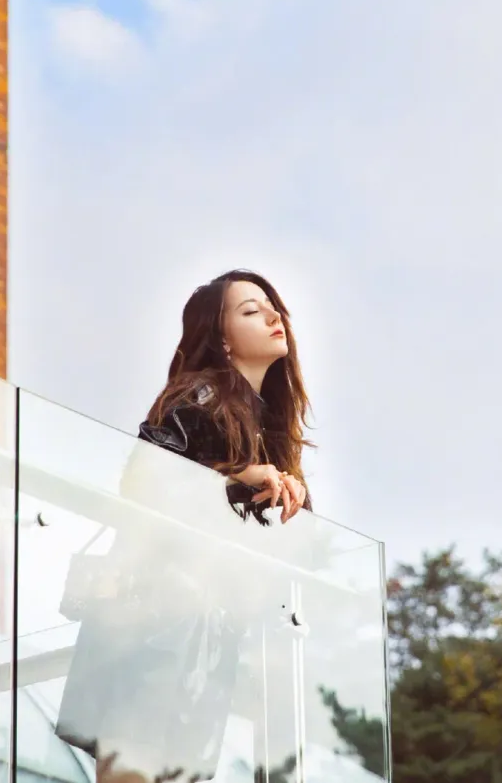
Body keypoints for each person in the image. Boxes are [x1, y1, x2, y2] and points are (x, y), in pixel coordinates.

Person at [56, 269, 314, 783]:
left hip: (204, 629)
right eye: (250, 310)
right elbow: (144, 480)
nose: (272, 315)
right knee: (133, 766)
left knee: (161, 769)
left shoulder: (269, 425)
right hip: (156, 619)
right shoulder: (200, 395)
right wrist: (236, 473)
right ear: (222, 338)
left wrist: (293, 497)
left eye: (272, 306)